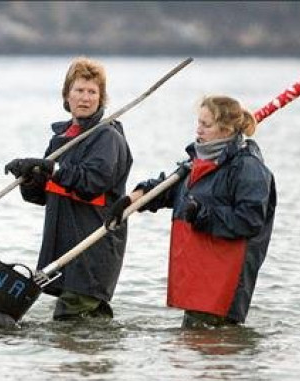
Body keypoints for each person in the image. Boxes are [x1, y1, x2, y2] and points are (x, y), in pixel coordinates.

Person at [106, 95, 276, 328]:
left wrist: (202, 215)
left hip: (223, 282)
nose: (199, 129)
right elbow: (165, 189)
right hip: (197, 278)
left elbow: (250, 220)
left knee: (213, 348)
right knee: (190, 349)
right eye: (198, 123)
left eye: (206, 125)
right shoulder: (195, 163)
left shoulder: (249, 168)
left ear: (226, 129)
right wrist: (129, 200)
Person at [4, 57, 133, 321]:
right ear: (67, 95)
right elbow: (43, 195)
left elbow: (92, 182)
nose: (85, 98)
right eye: (79, 90)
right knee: (81, 322)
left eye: (92, 92)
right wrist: (30, 177)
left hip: (93, 247)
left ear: (101, 98)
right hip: (64, 249)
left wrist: (51, 169)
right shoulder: (61, 140)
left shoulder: (107, 137)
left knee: (71, 319)